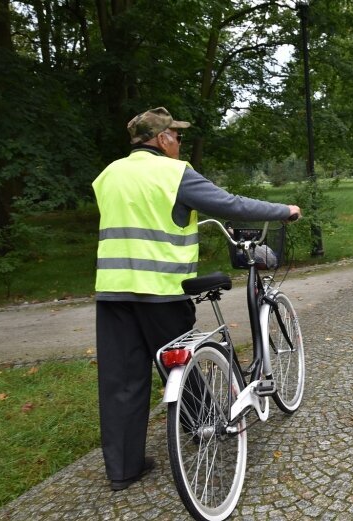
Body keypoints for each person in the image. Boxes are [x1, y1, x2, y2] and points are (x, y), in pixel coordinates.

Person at [92, 107, 301, 491]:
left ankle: (123, 468)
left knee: (122, 378)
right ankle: (205, 428)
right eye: (177, 135)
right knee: (181, 366)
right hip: (163, 290)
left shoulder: (109, 175)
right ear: (161, 139)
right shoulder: (174, 173)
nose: (180, 142)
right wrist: (283, 210)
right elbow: (231, 205)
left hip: (113, 290)